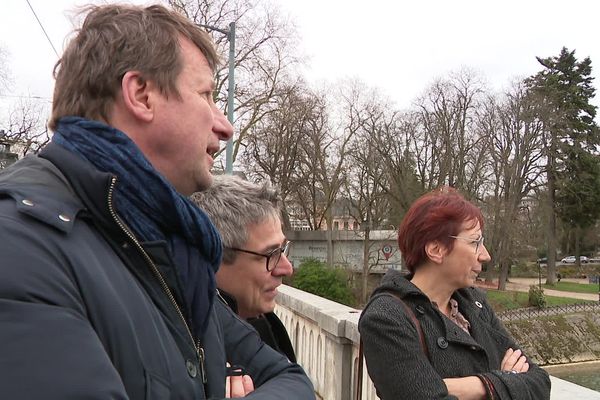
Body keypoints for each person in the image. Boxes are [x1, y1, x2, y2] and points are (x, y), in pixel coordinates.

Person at [0, 4, 314, 399]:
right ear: (141, 95)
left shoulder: (165, 251)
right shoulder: (21, 245)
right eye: (206, 95)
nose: (226, 125)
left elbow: (293, 380)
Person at [358, 188, 551, 400]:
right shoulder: (386, 318)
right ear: (436, 250)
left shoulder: (474, 304)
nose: (485, 255)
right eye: (474, 242)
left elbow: (540, 382)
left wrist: (474, 386)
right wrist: (505, 381)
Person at [192, 175, 296, 362]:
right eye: (270, 254)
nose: (286, 269)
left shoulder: (266, 327)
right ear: (215, 255)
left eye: (283, 249)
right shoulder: (194, 355)